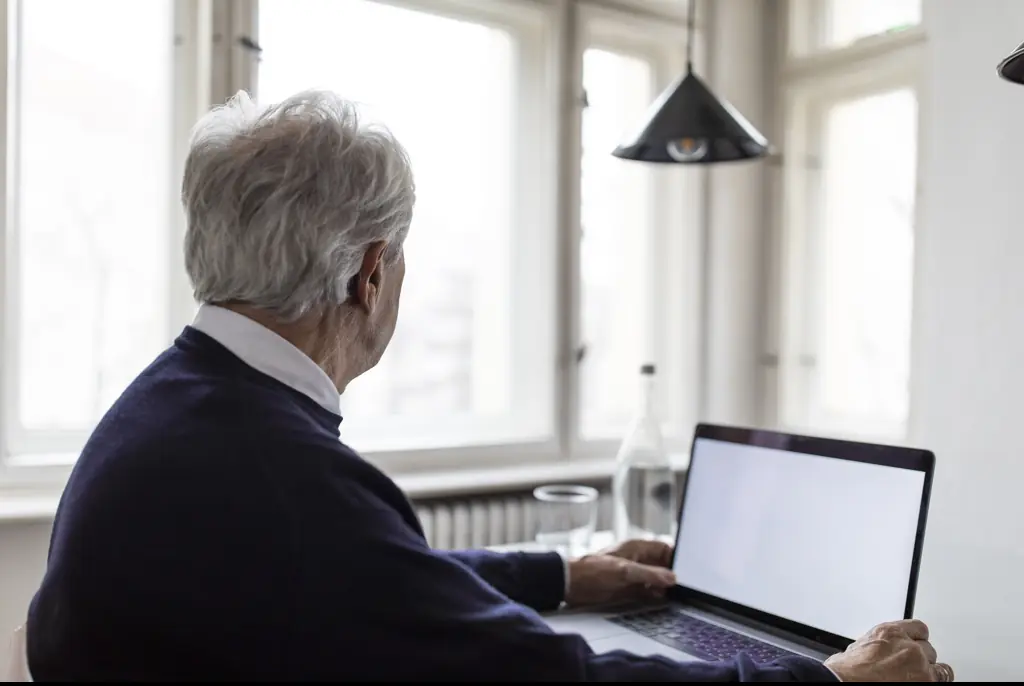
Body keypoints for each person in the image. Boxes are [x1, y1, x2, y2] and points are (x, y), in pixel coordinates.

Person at [26, 90, 953, 682]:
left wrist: (561, 573)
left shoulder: (179, 402)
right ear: (371, 273)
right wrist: (828, 683)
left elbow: (373, 583)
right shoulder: (275, 471)